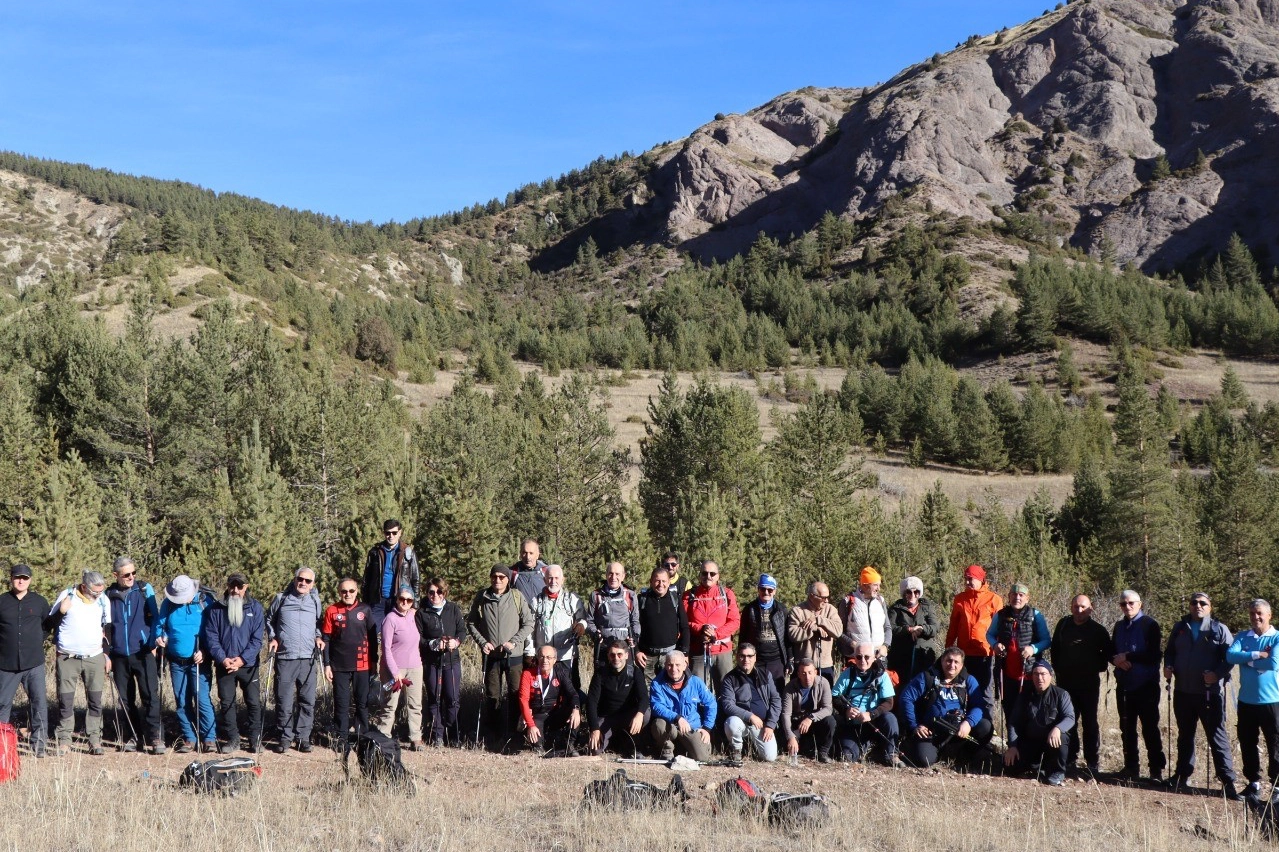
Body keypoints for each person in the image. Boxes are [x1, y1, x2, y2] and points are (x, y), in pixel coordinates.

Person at [1163, 592, 1239, 798]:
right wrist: (1168, 666)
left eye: (1203, 603)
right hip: (1183, 690)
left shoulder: (1219, 629)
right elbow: (1169, 652)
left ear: (1209, 607)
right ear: (1189, 605)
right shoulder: (1180, 627)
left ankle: (1228, 781)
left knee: (1216, 735)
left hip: (1209, 693)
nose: (1198, 606)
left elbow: (1230, 658)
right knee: (1185, 735)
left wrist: (1217, 674)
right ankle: (1182, 775)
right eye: (1194, 602)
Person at [44, 571, 112, 755]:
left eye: (101, 591)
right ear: (83, 587)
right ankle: (64, 740)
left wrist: (106, 655)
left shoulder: (103, 600)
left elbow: (107, 628)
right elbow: (49, 623)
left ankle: (95, 740)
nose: (98, 595)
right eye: (95, 592)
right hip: (67, 658)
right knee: (65, 700)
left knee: (95, 700)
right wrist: (61, 611)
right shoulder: (67, 595)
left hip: (94, 657)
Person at [467, 564, 533, 748]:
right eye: (494, 576)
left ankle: (513, 735)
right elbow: (471, 623)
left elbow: (529, 623)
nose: (497, 580)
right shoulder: (482, 597)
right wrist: (482, 642)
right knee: (492, 695)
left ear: (507, 579)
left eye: (501, 577)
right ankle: (493, 735)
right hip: (491, 656)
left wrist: (514, 642)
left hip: (514, 656)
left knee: (515, 695)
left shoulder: (516, 596)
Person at [103, 556, 162, 754]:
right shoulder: (108, 595)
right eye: (126, 574)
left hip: (143, 651)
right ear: (116, 575)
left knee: (150, 696)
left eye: (133, 573)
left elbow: (156, 618)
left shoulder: (144, 589)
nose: (131, 577)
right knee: (125, 699)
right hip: (119, 654)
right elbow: (105, 626)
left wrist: (153, 642)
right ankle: (132, 736)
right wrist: (106, 653)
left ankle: (155, 737)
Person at [900, 646, 994, 768]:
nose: (952, 665)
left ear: (961, 665)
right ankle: (933, 752)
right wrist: (914, 725)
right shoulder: (927, 677)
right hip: (931, 731)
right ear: (942, 660)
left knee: (985, 726)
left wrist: (968, 723)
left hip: (958, 730)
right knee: (924, 761)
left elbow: (978, 706)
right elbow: (906, 698)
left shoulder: (968, 680)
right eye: (948, 661)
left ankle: (962, 757)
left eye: (956, 662)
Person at [1050, 594, 1112, 777]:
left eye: (1083, 607)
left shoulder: (1098, 630)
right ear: (1071, 607)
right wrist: (1058, 670)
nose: (1079, 610)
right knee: (1068, 720)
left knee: (1090, 722)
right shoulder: (1063, 625)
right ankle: (1070, 759)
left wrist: (1093, 667)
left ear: (1090, 608)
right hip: (1065, 683)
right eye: (1076, 606)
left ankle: (1092, 762)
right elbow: (1055, 649)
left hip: (1089, 684)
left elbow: (1107, 656)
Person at [203, 572, 265, 754]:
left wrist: (242, 659)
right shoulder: (216, 609)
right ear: (228, 586)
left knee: (253, 702)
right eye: (232, 586)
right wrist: (223, 659)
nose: (236, 590)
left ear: (246, 587)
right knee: (227, 703)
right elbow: (211, 637)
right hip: (225, 665)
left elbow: (257, 639)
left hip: (248, 665)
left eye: (240, 586)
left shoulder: (256, 608)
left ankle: (255, 739)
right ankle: (233, 740)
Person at [155, 574, 217, 753]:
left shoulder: (205, 602)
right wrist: (160, 637)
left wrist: (205, 650)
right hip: (176, 660)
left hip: (199, 660)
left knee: (202, 699)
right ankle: (189, 738)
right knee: (182, 700)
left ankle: (209, 738)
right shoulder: (168, 604)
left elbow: (213, 630)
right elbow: (160, 626)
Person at [267, 566, 325, 753]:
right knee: (284, 700)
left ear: (312, 584)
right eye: (300, 579)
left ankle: (303, 738)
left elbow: (318, 623)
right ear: (294, 580)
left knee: (307, 700)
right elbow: (269, 620)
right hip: (286, 657)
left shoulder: (315, 601)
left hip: (308, 658)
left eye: (308, 581)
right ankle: (285, 737)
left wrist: (318, 637)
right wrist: (273, 638)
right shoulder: (281, 598)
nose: (303, 583)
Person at [1226, 599, 1279, 800]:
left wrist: (1247, 660)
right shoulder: (1242, 636)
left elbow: (1273, 663)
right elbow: (1231, 656)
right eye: (1252, 613)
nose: (1255, 617)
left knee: (1275, 744)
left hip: (1272, 701)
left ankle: (1277, 787)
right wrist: (1257, 654)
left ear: (1269, 615)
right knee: (1247, 742)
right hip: (1246, 701)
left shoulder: (1276, 637)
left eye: (1259, 613)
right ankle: (1253, 783)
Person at [1111, 590, 1166, 781]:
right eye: (1123, 604)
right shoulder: (1119, 626)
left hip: (1146, 685)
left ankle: (1156, 770)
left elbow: (1154, 655)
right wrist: (1117, 661)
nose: (1127, 607)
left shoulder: (1149, 625)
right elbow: (1112, 651)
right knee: (1126, 727)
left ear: (1140, 604)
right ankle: (1131, 767)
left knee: (1150, 728)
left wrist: (1128, 656)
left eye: (1131, 603)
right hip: (1124, 683)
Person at [0, 564, 50, 757]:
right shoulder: (2, 601)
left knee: (39, 704)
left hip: (33, 663)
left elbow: (47, 627)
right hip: (6, 664)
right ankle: (2, 745)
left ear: (30, 580)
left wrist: (34, 641)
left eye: (25, 578)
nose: (21, 581)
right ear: (11, 578)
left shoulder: (39, 602)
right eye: (17, 577)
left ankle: (39, 746)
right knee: (2, 704)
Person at [322, 577, 378, 742]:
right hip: (339, 665)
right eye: (344, 591)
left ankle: (362, 736)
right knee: (341, 703)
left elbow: (373, 638)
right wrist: (327, 664)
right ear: (339, 592)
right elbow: (326, 639)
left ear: (357, 591)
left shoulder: (365, 610)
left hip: (362, 664)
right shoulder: (332, 610)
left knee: (362, 702)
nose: (348, 594)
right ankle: (342, 737)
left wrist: (374, 661)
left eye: (351, 590)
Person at [987, 582, 1051, 727]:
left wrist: (1033, 649)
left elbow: (1046, 640)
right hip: (1006, 674)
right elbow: (989, 635)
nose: (1017, 598)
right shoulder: (1000, 615)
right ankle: (1012, 741)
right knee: (1010, 712)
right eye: (1014, 595)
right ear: (1009, 597)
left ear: (1027, 598)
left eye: (1021, 595)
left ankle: (1028, 741)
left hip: (1029, 674)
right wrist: (995, 645)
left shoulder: (1035, 616)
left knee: (1030, 713)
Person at [1003, 660, 1075, 786]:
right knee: (1010, 766)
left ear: (1050, 676)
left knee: (1062, 736)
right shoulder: (1024, 695)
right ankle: (1037, 768)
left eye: (1043, 674)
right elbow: (1013, 722)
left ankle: (1058, 772)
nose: (1039, 678)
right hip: (1031, 741)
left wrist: (1058, 728)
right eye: (1036, 674)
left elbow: (1070, 717)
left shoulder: (1061, 694)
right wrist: (1012, 746)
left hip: (1051, 743)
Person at [832, 641, 901, 766]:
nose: (862, 660)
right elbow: (835, 696)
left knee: (890, 718)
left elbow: (889, 702)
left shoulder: (882, 675)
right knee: (847, 756)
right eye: (859, 657)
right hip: (853, 723)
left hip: (875, 721)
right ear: (854, 657)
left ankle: (891, 754)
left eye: (867, 657)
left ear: (874, 657)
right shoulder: (848, 673)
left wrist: (871, 714)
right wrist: (846, 710)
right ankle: (866, 749)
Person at [416, 576, 465, 747]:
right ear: (427, 593)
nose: (435, 595)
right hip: (432, 662)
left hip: (452, 661)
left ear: (445, 592)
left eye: (439, 591)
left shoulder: (453, 609)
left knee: (452, 699)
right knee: (434, 699)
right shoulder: (421, 613)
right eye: (431, 592)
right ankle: (437, 735)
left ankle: (453, 734)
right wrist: (432, 644)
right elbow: (418, 638)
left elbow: (462, 631)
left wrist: (456, 642)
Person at [945, 564, 1003, 709]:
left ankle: (987, 721)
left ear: (980, 579)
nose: (967, 582)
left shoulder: (994, 599)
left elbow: (1000, 628)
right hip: (963, 653)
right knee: (962, 689)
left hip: (985, 653)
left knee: (984, 691)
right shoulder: (960, 599)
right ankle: (964, 720)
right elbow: (953, 626)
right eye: (966, 578)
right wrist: (948, 648)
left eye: (971, 579)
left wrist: (999, 647)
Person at [375, 586, 423, 749]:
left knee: (415, 704)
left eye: (409, 600)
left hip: (415, 667)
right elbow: (386, 649)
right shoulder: (390, 619)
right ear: (396, 600)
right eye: (402, 599)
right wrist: (394, 672)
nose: (405, 602)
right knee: (390, 704)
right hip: (394, 668)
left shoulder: (414, 616)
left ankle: (416, 737)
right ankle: (383, 736)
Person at [648, 650, 716, 762]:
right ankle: (667, 749)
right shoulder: (657, 683)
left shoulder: (696, 682)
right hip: (670, 725)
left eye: (677, 665)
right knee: (658, 724)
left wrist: (707, 728)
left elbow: (711, 703)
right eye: (670, 665)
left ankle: (681, 748)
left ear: (685, 665)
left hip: (691, 727)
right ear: (665, 665)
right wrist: (677, 718)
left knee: (702, 757)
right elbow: (656, 706)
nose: (673, 669)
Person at [585, 639, 650, 756]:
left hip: (627, 717)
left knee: (645, 714)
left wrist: (639, 714)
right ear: (608, 656)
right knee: (595, 751)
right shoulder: (600, 674)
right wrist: (594, 728)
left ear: (626, 655)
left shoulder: (635, 672)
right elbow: (591, 702)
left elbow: (644, 697)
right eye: (612, 655)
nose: (616, 658)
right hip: (607, 718)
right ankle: (612, 741)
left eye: (619, 654)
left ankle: (631, 743)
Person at [719, 643, 781, 763]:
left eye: (750, 656)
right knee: (731, 723)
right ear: (737, 657)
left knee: (770, 757)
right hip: (741, 721)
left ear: (755, 657)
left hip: (762, 724)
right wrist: (750, 716)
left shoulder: (765, 674)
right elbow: (728, 705)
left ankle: (750, 747)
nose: (746, 659)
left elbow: (776, 700)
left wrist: (770, 725)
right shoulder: (730, 678)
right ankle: (736, 751)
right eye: (742, 656)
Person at [527, 564, 589, 685]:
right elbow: (529, 629)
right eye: (550, 578)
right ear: (545, 580)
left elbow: (583, 619)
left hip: (566, 656)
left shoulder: (572, 599)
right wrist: (529, 652)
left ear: (562, 580)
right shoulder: (536, 602)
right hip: (544, 658)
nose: (553, 581)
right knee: (545, 691)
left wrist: (581, 626)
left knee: (570, 690)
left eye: (556, 578)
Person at [685, 560, 739, 693]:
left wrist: (716, 633)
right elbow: (683, 623)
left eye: (712, 574)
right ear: (699, 575)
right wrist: (701, 629)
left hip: (722, 651)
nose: (708, 576)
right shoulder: (689, 596)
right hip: (698, 651)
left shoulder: (727, 594)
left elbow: (735, 621)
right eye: (704, 573)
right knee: (697, 692)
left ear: (718, 576)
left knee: (726, 692)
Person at [518, 644, 581, 751]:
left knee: (575, 713)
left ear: (555, 660)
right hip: (537, 715)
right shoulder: (528, 674)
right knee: (537, 746)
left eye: (549, 657)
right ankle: (539, 744)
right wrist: (530, 725)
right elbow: (523, 700)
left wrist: (576, 709)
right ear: (537, 658)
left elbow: (573, 693)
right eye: (542, 657)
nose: (545, 660)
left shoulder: (560, 672)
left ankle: (569, 745)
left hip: (556, 713)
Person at [738, 574, 790, 693]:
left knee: (777, 693)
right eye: (762, 589)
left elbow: (787, 638)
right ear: (758, 589)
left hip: (777, 660)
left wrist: (789, 660)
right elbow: (743, 636)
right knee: (756, 692)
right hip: (756, 659)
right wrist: (741, 656)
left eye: (770, 590)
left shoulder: (781, 610)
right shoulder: (749, 609)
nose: (766, 592)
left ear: (774, 591)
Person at [635, 566, 689, 680]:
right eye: (657, 581)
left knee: (669, 687)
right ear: (651, 582)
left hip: (670, 656)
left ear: (669, 582)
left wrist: (685, 653)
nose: (661, 584)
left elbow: (684, 627)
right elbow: (633, 626)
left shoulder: (675, 600)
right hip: (646, 656)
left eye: (664, 581)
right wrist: (636, 651)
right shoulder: (642, 599)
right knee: (648, 689)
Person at [361, 519, 420, 622]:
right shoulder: (375, 552)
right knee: (375, 630)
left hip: (400, 600)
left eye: (394, 533)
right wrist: (365, 603)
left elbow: (416, 580)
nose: (391, 536)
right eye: (388, 533)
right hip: (377, 601)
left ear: (400, 532)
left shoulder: (408, 552)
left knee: (398, 630)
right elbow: (367, 579)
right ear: (384, 533)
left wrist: (414, 605)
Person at [780, 659, 836, 763]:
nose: (807, 677)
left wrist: (811, 718)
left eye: (810, 673)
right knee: (785, 745)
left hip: (815, 720)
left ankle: (823, 752)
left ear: (815, 672)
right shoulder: (790, 687)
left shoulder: (823, 683)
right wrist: (790, 737)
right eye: (803, 673)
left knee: (830, 721)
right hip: (798, 722)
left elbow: (828, 709)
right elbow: (786, 714)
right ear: (798, 674)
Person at [886, 576, 940, 686]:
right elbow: (890, 628)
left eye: (916, 592)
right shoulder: (895, 608)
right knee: (901, 686)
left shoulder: (927, 607)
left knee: (924, 685)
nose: (912, 595)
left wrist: (921, 629)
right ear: (903, 593)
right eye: (909, 592)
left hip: (924, 655)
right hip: (900, 656)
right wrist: (908, 630)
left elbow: (935, 627)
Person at [787, 581, 841, 684]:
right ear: (812, 596)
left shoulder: (831, 610)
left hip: (825, 665)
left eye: (827, 597)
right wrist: (814, 628)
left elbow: (838, 631)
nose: (826, 600)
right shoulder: (797, 611)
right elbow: (793, 634)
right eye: (823, 598)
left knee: (825, 693)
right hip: (803, 666)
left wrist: (819, 620)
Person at [588, 561, 640, 665]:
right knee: (602, 674)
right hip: (603, 646)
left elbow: (635, 620)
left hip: (624, 645)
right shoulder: (596, 595)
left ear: (623, 576)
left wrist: (634, 637)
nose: (613, 577)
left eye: (617, 574)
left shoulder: (630, 595)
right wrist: (595, 635)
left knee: (625, 674)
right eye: (610, 573)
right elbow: (589, 620)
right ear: (606, 575)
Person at [838, 566, 890, 660]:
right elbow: (839, 631)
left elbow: (887, 627)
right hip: (857, 658)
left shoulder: (880, 601)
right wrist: (852, 644)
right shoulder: (848, 602)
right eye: (875, 585)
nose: (878, 589)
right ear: (865, 585)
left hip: (879, 658)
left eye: (879, 585)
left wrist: (885, 646)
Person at [511, 538, 549, 610]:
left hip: (543, 614)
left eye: (531, 553)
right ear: (520, 554)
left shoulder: (547, 572)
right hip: (521, 615)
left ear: (537, 555)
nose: (528, 557)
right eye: (524, 553)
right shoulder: (512, 572)